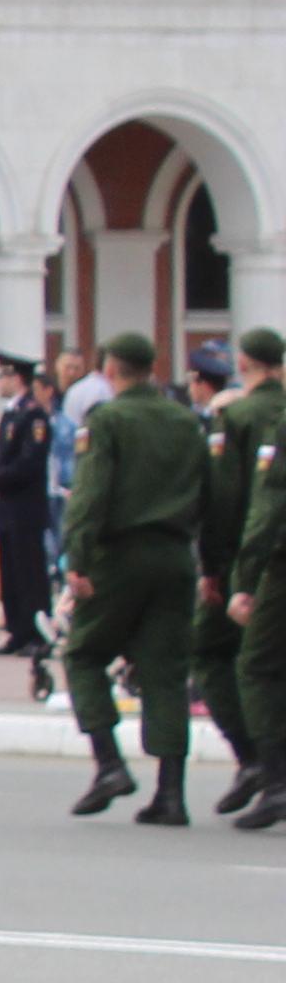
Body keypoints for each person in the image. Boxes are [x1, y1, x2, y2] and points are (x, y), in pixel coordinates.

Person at [53, 329, 208, 824]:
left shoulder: (109, 419)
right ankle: (171, 793)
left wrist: (76, 558)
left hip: (119, 556)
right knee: (165, 669)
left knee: (83, 653)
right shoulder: (186, 421)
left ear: (111, 370)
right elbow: (211, 491)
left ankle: (109, 763)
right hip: (176, 554)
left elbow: (91, 493)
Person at [206, 329, 286, 821]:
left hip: (268, 562)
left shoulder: (241, 416)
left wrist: (239, 578)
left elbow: (260, 507)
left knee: (250, 665)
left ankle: (270, 774)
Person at [0, 355, 58, 664]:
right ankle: (17, 630)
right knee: (11, 573)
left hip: (25, 507)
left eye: (3, 376)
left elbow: (29, 463)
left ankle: (36, 634)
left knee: (30, 573)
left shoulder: (33, 415)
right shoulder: (12, 413)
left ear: (17, 378)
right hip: (7, 507)